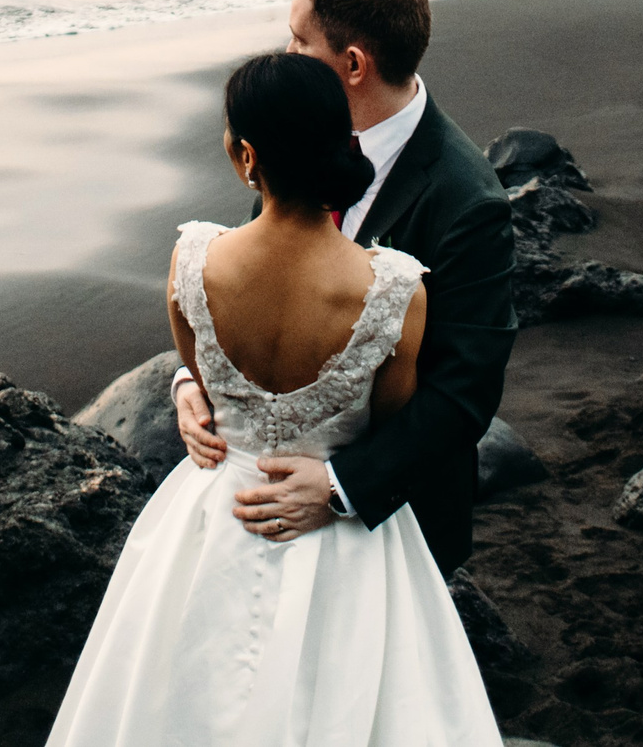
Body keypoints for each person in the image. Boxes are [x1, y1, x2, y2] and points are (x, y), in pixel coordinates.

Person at [46, 52, 503, 746]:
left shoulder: (194, 257)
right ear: (342, 144)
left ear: (247, 157)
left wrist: (205, 394)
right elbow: (388, 414)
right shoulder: (396, 292)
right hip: (341, 543)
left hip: (218, 509)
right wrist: (195, 394)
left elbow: (201, 361)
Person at [175, 0, 516, 574]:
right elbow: (256, 276)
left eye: (298, 39)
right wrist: (194, 388)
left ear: (353, 64)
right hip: (257, 507)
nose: (284, 52)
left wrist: (339, 487)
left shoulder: (468, 202)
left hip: (390, 519)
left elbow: (465, 392)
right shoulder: (299, 126)